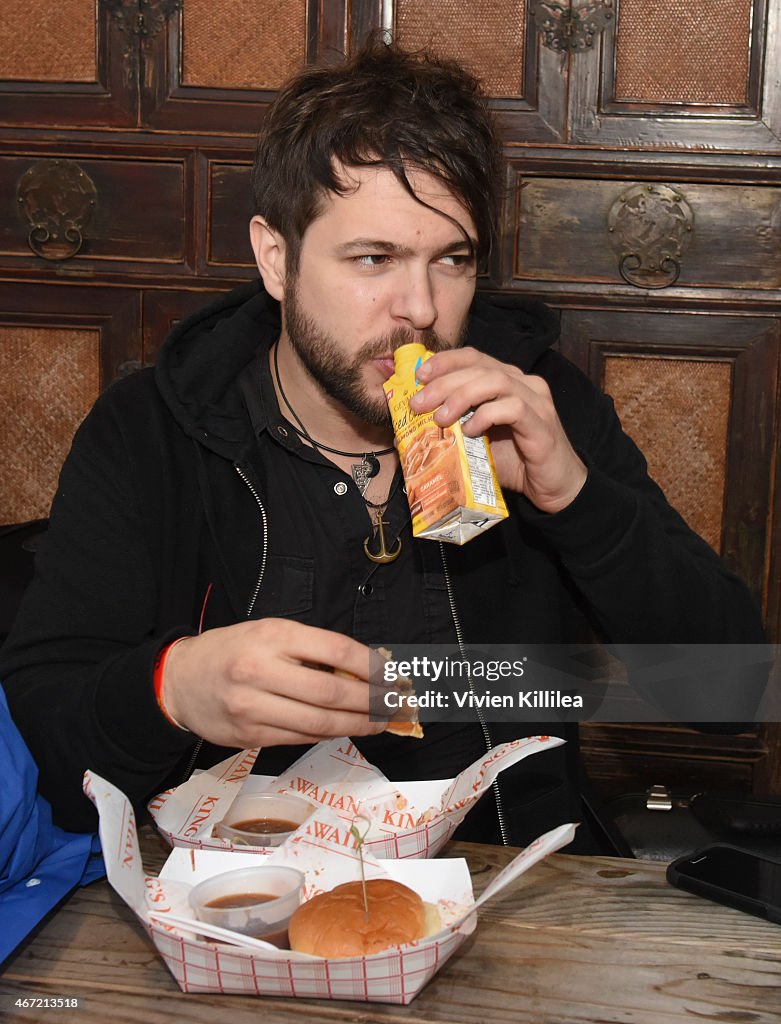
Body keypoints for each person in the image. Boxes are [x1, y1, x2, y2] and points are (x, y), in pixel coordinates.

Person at [0, 40, 766, 848]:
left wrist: (578, 503)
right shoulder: (148, 430)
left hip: (507, 889)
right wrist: (169, 691)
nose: (420, 310)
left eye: (453, 261)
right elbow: (48, 750)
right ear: (275, 257)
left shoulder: (542, 404)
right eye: (374, 258)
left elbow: (732, 695)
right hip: (225, 890)